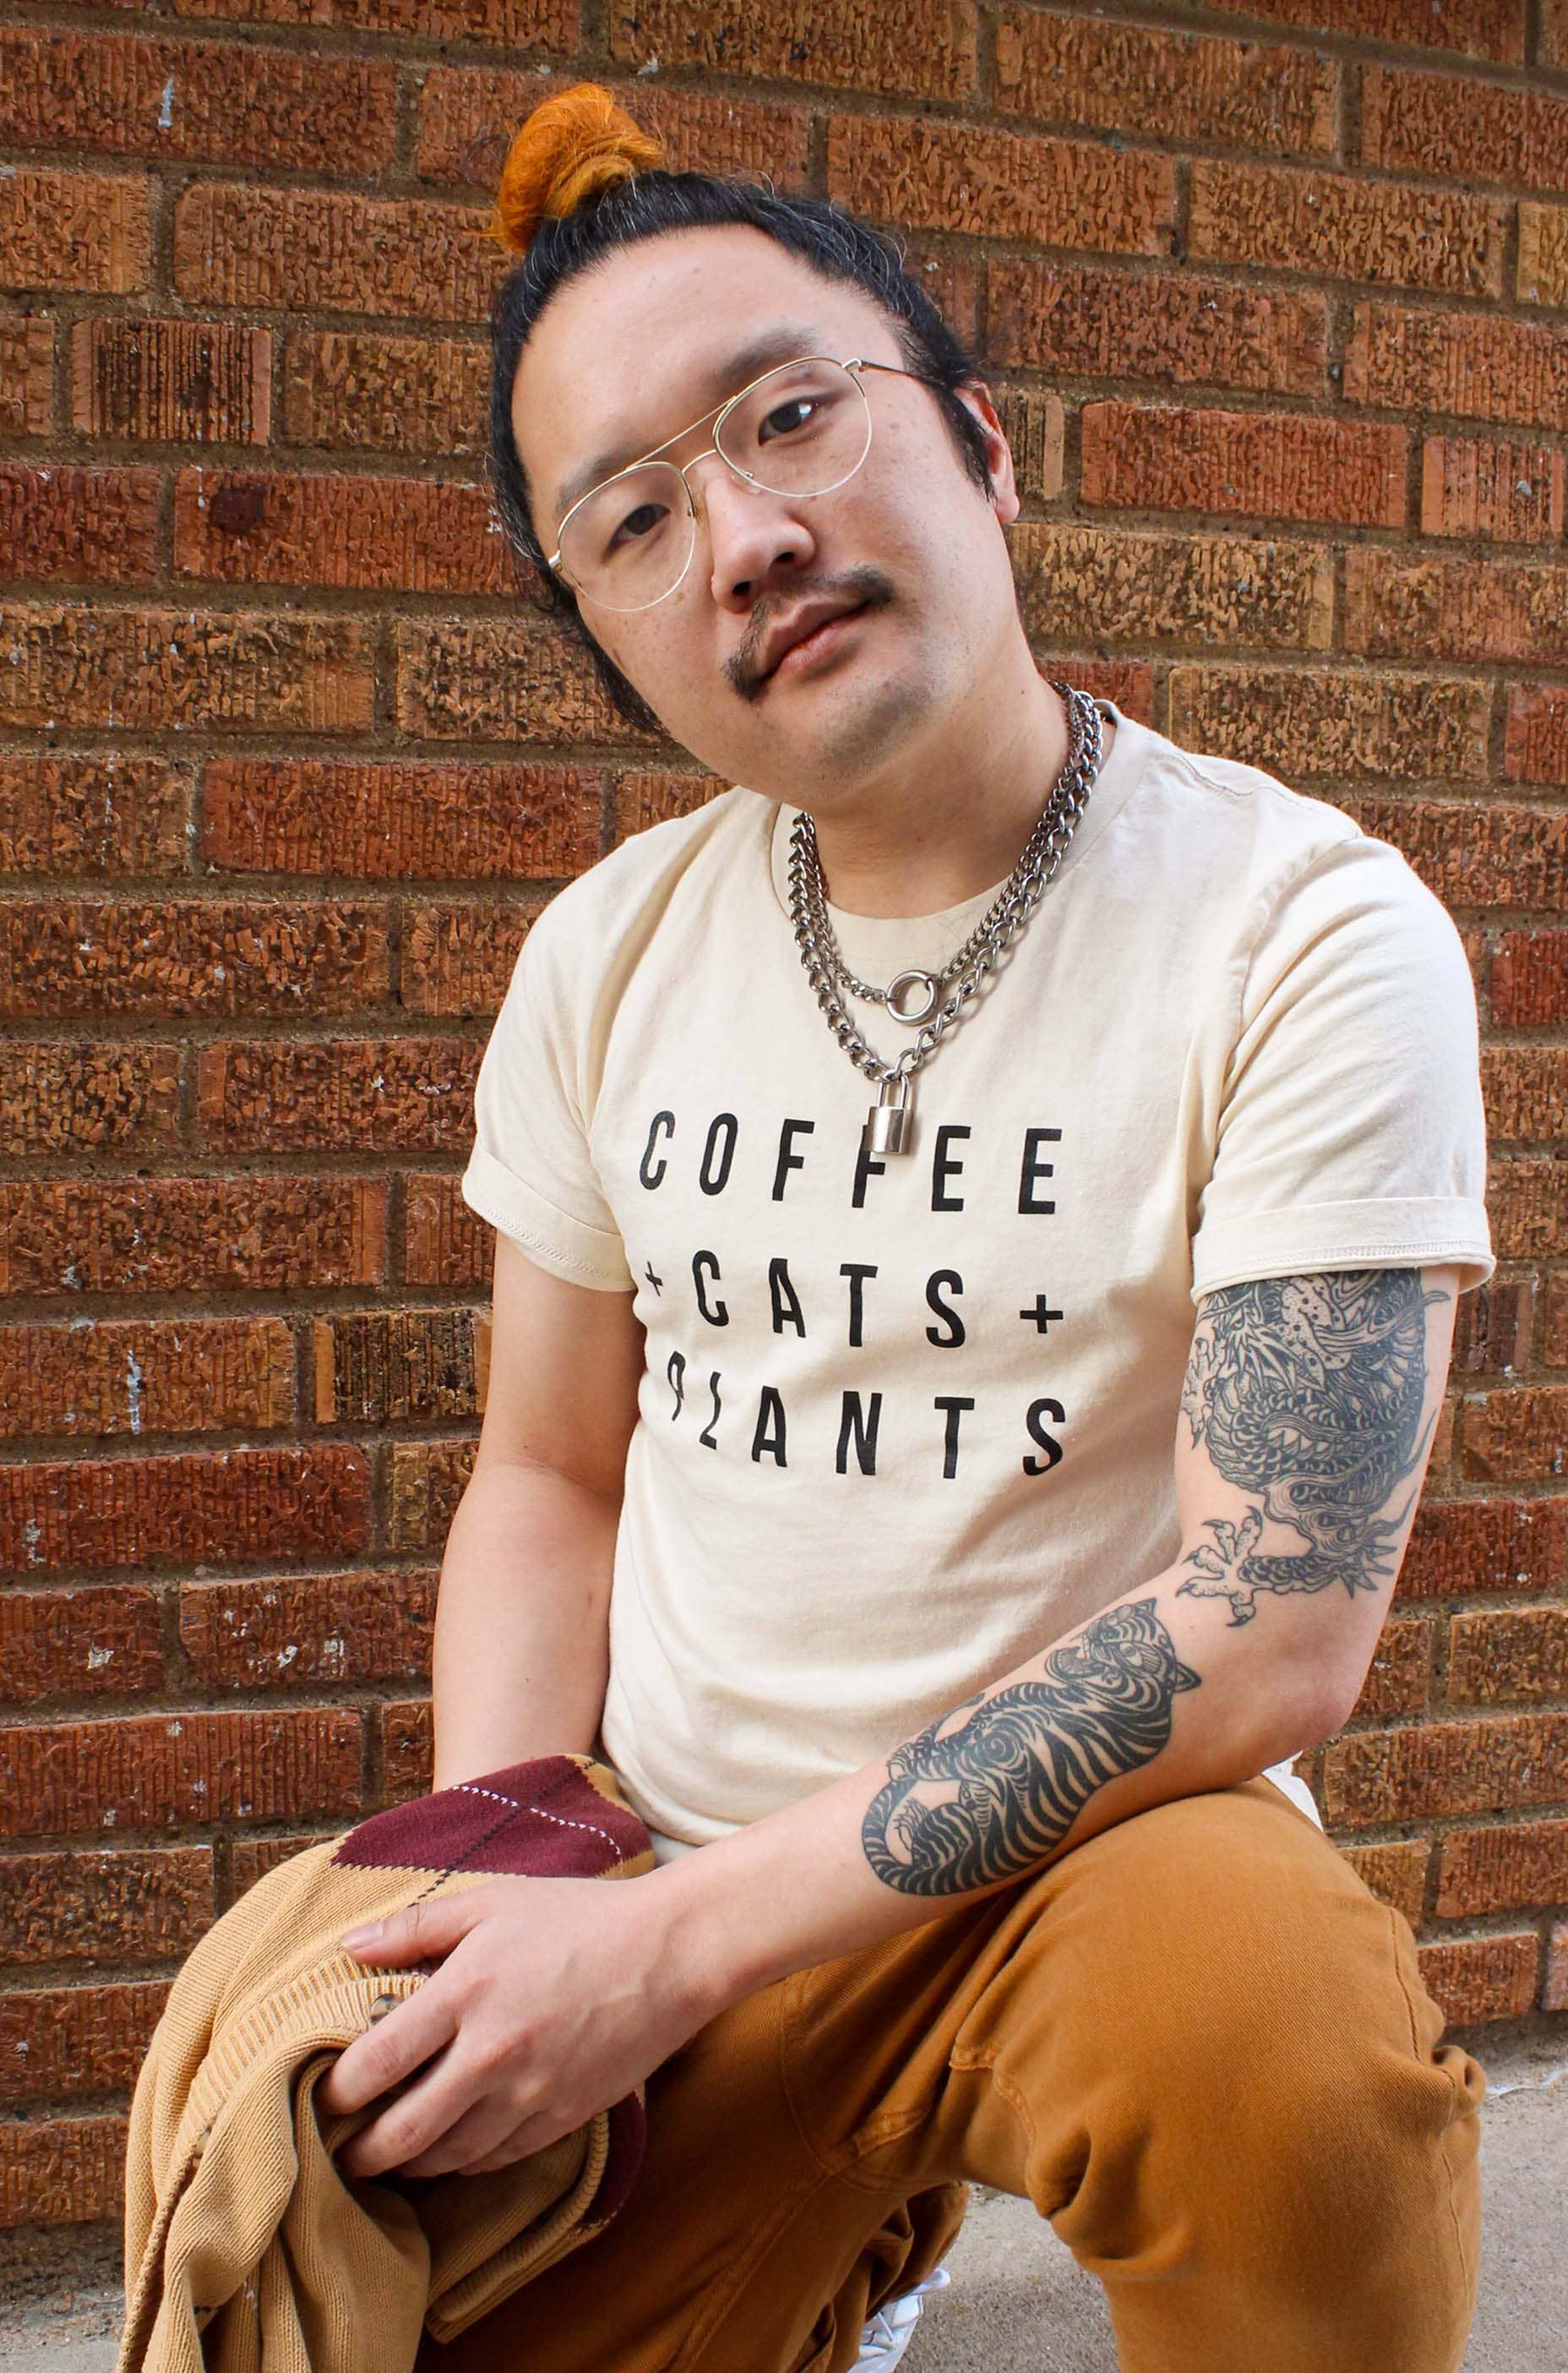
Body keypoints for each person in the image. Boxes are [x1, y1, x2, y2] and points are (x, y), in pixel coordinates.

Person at [315, 85, 1496, 2373]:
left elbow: (1270, 1630)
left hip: (1096, 1874)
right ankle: (840, 2239)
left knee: (1287, 2074)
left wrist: (665, 1952)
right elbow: (548, 1473)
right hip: (663, 1854)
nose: (747, 538)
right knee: (345, 2244)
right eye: (635, 521)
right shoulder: (609, 959)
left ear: (980, 445)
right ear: (613, 641)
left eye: (791, 416)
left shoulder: (1303, 930)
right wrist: (509, 1866)